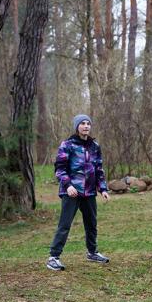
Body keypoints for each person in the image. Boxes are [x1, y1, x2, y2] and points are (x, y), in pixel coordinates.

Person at [47, 114, 110, 271]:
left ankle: (92, 252)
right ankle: (53, 257)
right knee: (65, 224)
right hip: (71, 192)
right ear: (77, 127)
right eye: (82, 123)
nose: (86, 126)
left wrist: (102, 189)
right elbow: (59, 169)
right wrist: (68, 185)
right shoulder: (67, 145)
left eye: (88, 123)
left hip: (89, 193)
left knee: (91, 224)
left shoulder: (95, 146)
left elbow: (99, 169)